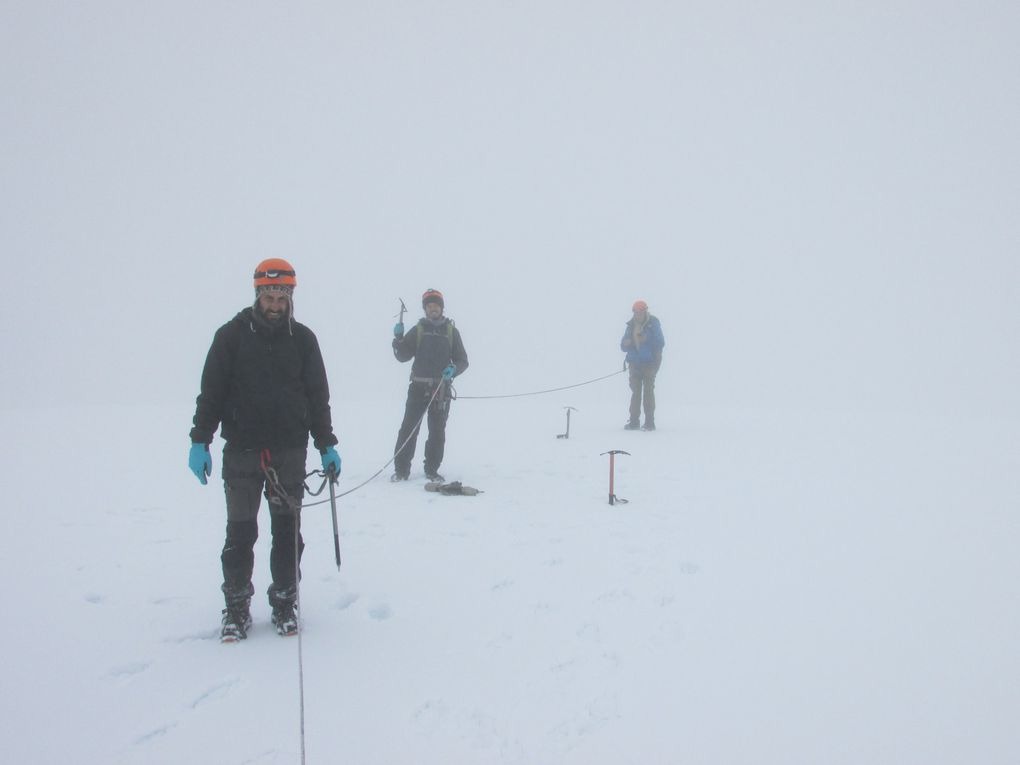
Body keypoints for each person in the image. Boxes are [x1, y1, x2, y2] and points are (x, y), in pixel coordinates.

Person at [188, 258, 341, 642]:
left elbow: (318, 397)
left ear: (291, 297)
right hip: (241, 451)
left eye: (281, 296)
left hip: (289, 451)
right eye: (268, 295)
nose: (275, 302)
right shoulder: (231, 337)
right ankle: (236, 609)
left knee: (287, 533)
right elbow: (212, 393)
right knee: (241, 533)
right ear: (257, 294)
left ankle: (285, 603)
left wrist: (326, 444)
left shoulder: (304, 340)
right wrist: (199, 440)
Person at [391, 288, 469, 482]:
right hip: (418, 387)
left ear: (441, 308)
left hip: (441, 390)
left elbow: (463, 360)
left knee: (437, 432)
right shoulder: (418, 330)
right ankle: (401, 471)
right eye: (429, 306)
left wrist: (453, 369)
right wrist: (398, 340)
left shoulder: (451, 332)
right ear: (425, 309)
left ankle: (432, 470)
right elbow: (403, 356)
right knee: (408, 429)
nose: (433, 309)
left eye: (436, 306)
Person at [620, 299, 665, 431]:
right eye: (635, 311)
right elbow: (622, 345)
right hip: (634, 364)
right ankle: (634, 421)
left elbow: (660, 342)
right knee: (636, 393)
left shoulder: (653, 323)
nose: (638, 314)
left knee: (648, 392)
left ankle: (650, 422)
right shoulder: (630, 326)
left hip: (650, 364)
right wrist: (626, 343)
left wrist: (646, 339)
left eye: (640, 311)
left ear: (645, 311)